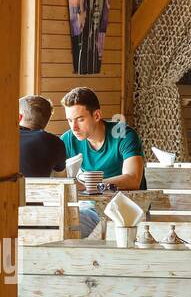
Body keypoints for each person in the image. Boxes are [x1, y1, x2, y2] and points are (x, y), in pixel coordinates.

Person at [61, 87, 146, 236]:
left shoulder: (124, 134)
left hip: (127, 206)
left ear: (97, 115)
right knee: (59, 222)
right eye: (69, 120)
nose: (74, 127)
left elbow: (133, 179)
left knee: (72, 226)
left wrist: (94, 186)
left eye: (80, 119)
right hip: (91, 205)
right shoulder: (68, 139)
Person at [19, 94, 66, 178]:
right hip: (37, 190)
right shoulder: (55, 143)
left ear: (19, 117)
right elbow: (60, 178)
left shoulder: (6, 139)